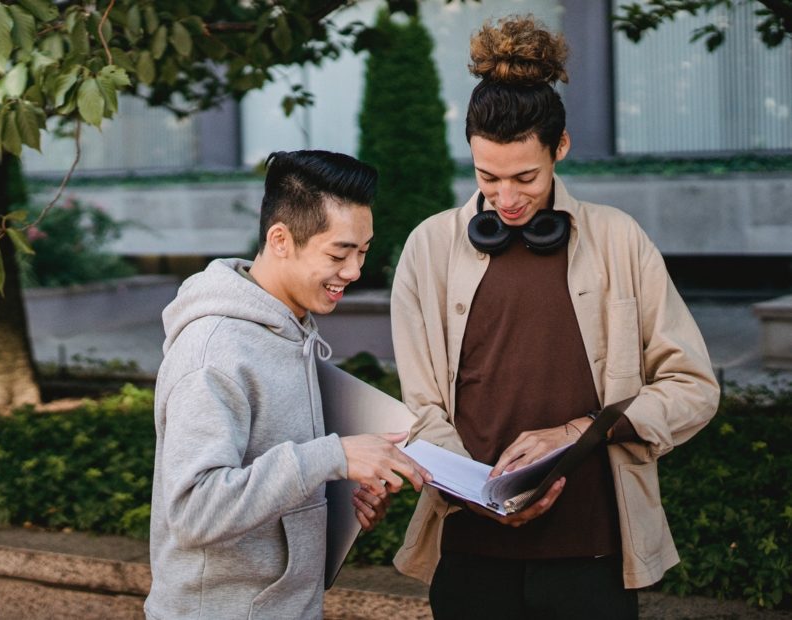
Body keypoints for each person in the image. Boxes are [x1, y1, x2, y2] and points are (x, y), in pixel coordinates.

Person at [390, 15, 720, 619]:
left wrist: (579, 430)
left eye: (526, 177)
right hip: (469, 546)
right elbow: (420, 410)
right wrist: (477, 493)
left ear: (559, 149)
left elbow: (693, 387)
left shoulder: (620, 239)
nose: (507, 199)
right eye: (488, 177)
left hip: (593, 550)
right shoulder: (428, 248)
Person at [145, 149, 431, 620]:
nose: (355, 271)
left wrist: (338, 497)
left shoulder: (290, 330)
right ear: (280, 239)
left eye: (363, 250)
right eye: (339, 252)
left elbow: (279, 473)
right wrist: (331, 456)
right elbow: (194, 512)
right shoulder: (213, 351)